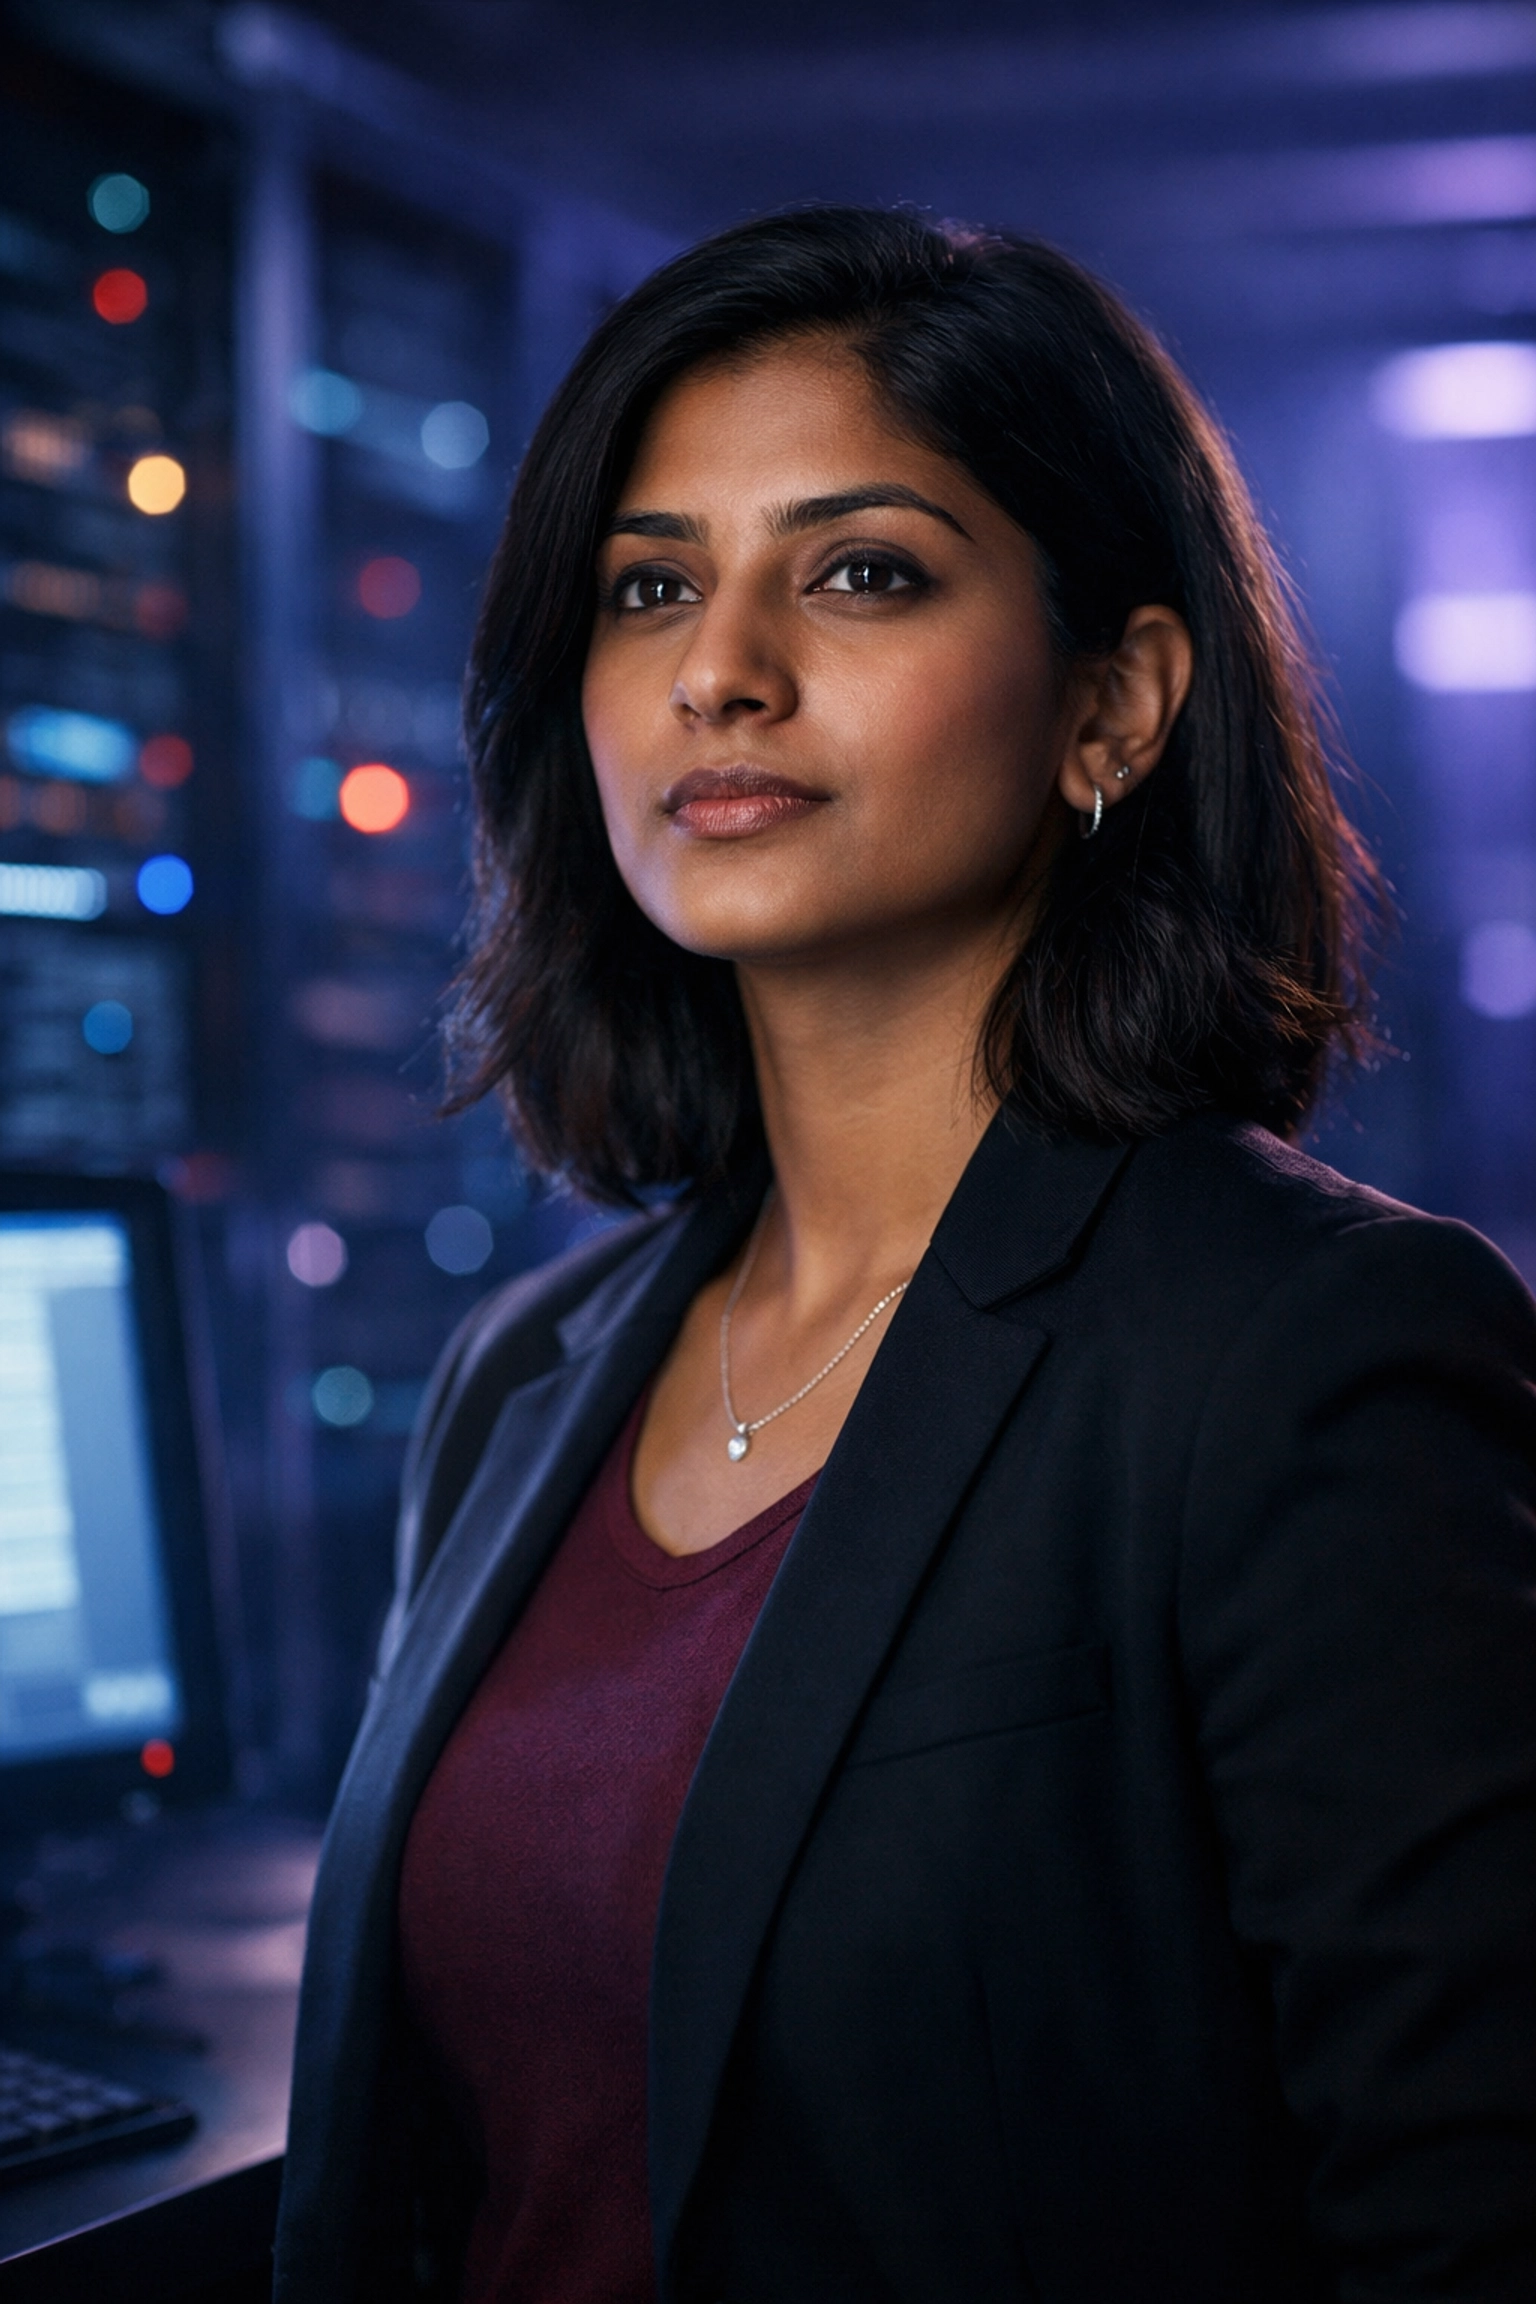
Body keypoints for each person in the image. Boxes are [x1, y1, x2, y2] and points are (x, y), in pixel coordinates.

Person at [274, 208, 1536, 2304]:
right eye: (650, 585)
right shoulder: (528, 1370)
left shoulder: (1312, 1353)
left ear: (1115, 704)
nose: (719, 670)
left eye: (859, 571)